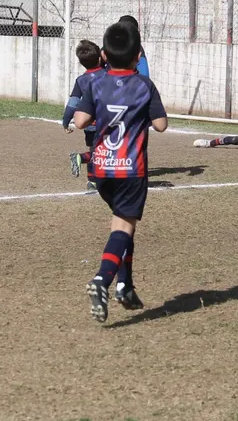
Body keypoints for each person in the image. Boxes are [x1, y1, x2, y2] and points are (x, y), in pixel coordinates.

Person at [73, 21, 168, 323]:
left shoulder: (95, 84)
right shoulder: (144, 86)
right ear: (138, 54)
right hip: (130, 169)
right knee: (123, 228)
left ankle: (125, 285)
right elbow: (161, 125)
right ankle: (103, 279)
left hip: (101, 169)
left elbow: (80, 121)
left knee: (123, 226)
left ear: (103, 54)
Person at [63, 39, 106, 191]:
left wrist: (66, 120)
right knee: (103, 152)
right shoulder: (107, 75)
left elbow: (73, 102)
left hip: (88, 124)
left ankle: (92, 182)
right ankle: (81, 158)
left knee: (94, 150)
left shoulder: (81, 80)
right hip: (105, 123)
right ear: (100, 58)